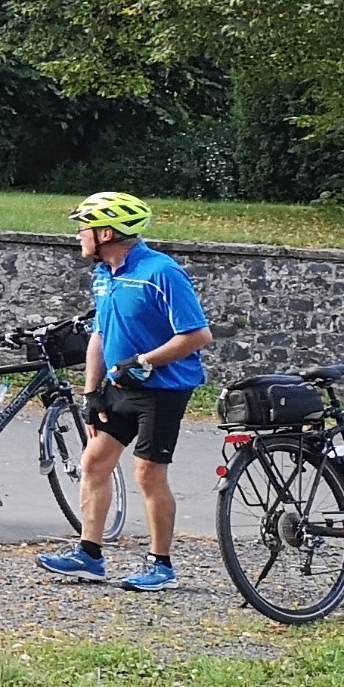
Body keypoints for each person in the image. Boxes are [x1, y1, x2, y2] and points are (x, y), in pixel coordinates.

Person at [39, 192, 213, 592]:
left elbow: (197, 335)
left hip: (164, 388)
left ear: (107, 233)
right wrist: (90, 392)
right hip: (119, 386)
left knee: (148, 473)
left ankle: (161, 566)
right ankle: (89, 555)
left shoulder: (162, 272)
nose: (79, 235)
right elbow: (100, 335)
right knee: (94, 462)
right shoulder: (104, 274)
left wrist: (144, 362)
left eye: (84, 228)